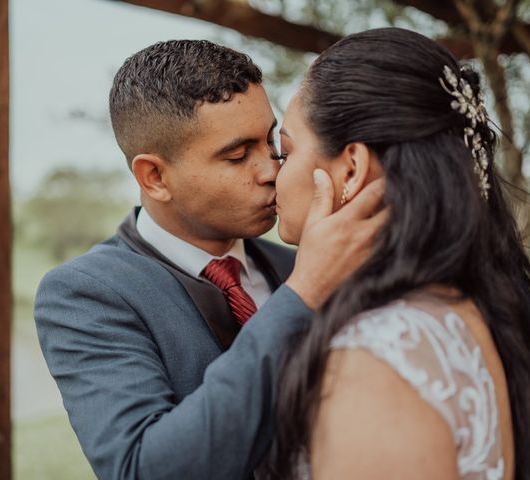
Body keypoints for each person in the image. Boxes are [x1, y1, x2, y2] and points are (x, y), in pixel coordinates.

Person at [34, 40, 385, 480]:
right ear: (155, 177)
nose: (271, 171)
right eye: (237, 155)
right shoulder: (85, 293)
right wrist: (301, 296)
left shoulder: (306, 262)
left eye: (273, 144)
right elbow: (142, 469)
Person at [270, 28, 530, 479]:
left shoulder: (378, 354)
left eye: (285, 151)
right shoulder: (468, 306)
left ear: (352, 169)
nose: (271, 174)